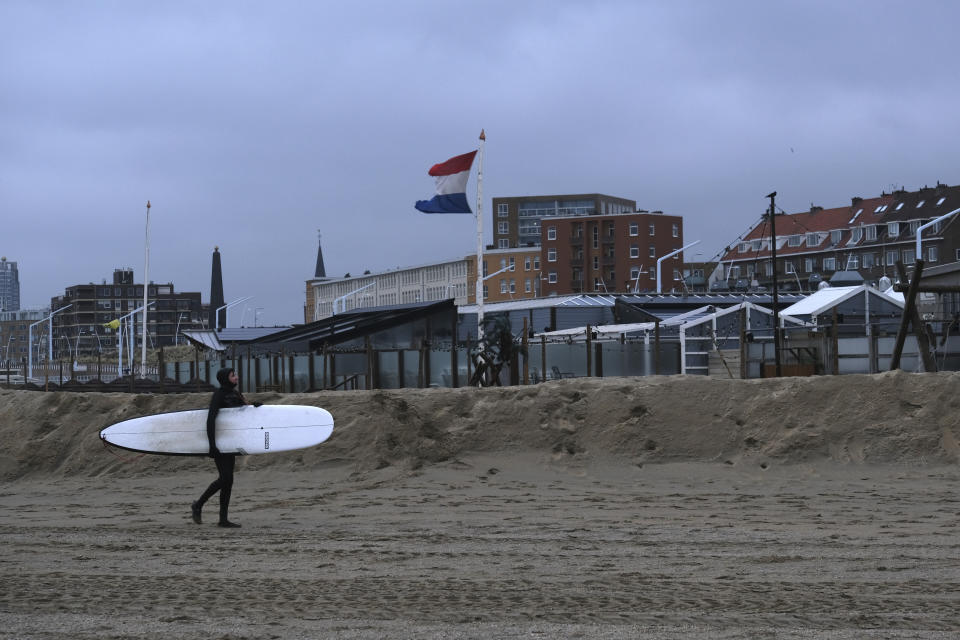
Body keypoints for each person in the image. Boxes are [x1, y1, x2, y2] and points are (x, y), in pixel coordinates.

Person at [191, 367, 260, 528]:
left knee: (228, 481)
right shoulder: (219, 395)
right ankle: (198, 504)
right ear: (225, 378)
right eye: (233, 375)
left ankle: (223, 519)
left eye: (235, 374)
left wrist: (255, 408)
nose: (236, 377)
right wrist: (212, 445)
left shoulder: (236, 394)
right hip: (220, 442)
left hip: (232, 441)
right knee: (226, 478)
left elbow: (243, 412)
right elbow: (210, 420)